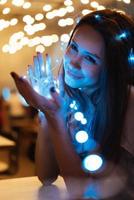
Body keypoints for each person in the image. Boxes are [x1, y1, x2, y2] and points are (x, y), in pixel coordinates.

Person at [10, 9, 134, 199]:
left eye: (90, 58)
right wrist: (45, 111)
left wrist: (53, 116)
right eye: (74, 48)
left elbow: (84, 193)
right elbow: (46, 176)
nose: (73, 63)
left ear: (112, 68)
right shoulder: (75, 98)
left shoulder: (129, 104)